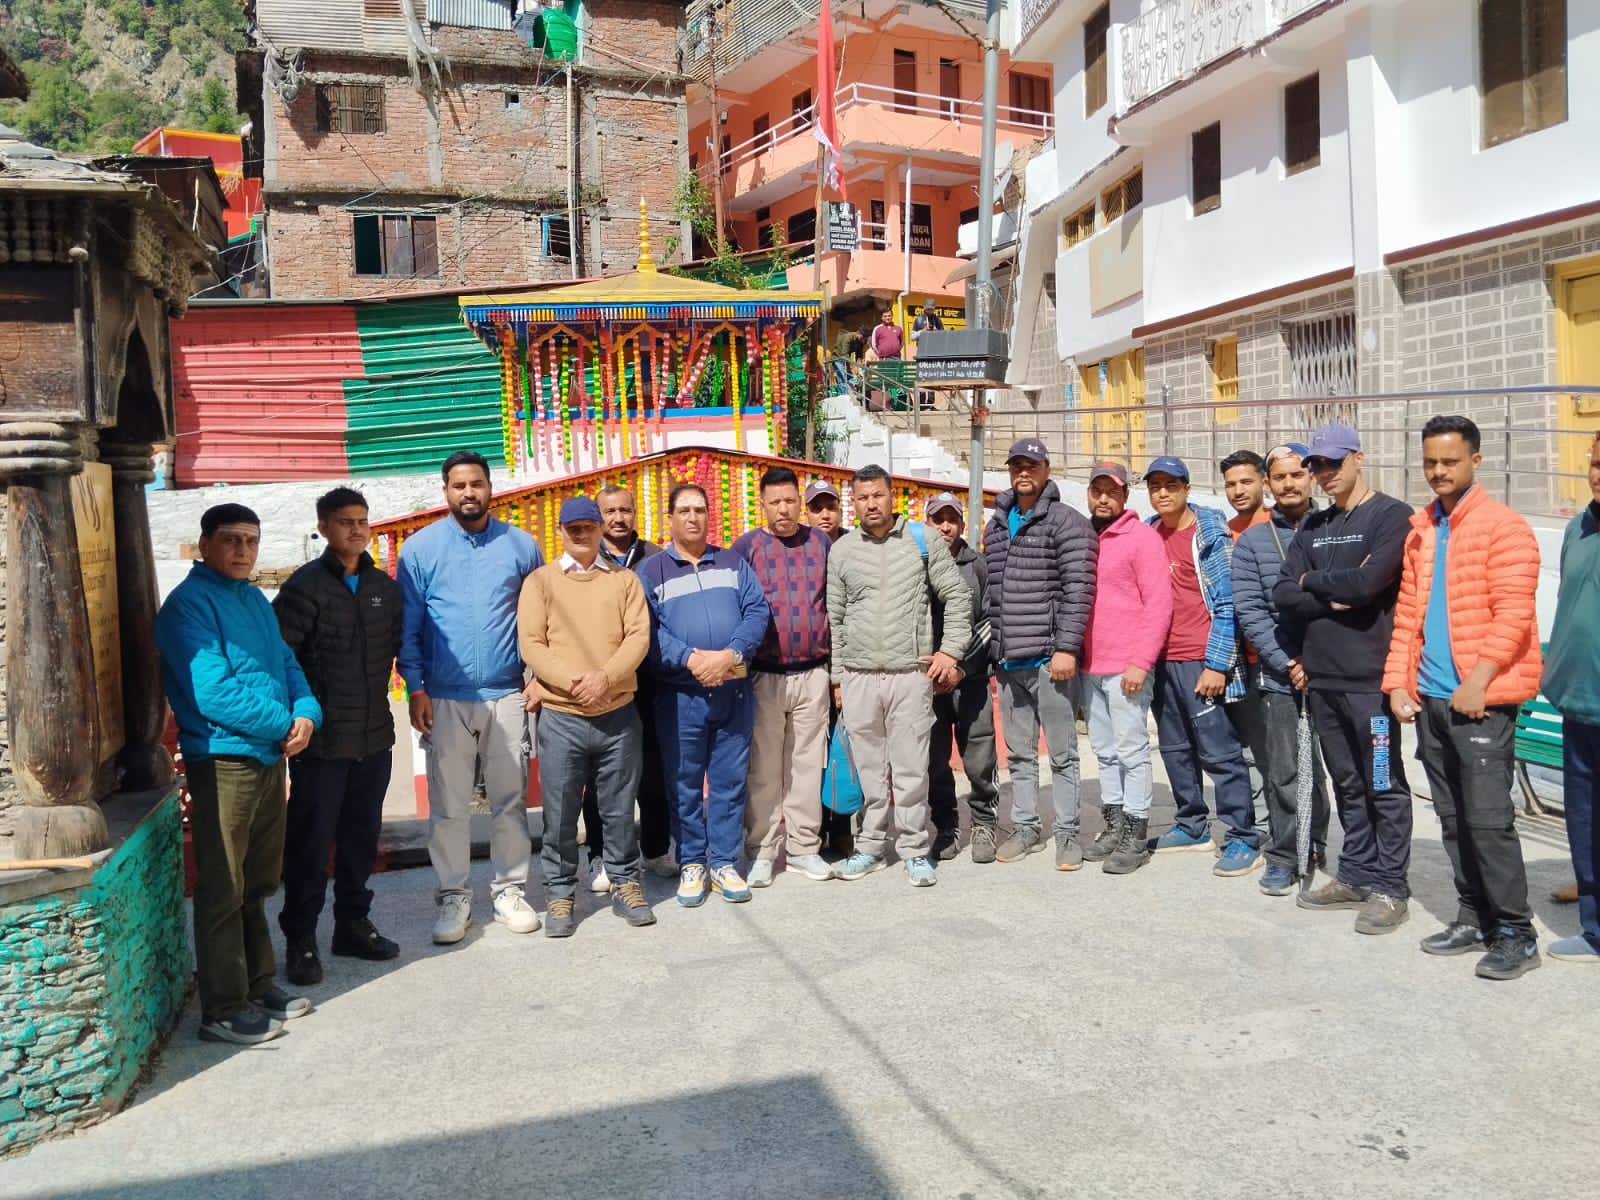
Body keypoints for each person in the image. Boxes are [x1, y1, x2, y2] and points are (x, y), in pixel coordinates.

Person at [155, 503, 322, 1045]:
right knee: (224, 885)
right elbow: (213, 692)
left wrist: (307, 713)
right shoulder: (188, 606)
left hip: (269, 755)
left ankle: (257, 983)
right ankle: (223, 1008)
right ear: (204, 544)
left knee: (257, 880)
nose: (242, 550)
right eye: (230, 539)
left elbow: (286, 664)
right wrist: (283, 724)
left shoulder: (252, 599)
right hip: (224, 758)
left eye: (251, 540)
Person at [1384, 416, 1544, 979]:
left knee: (1489, 821)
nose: (1438, 471)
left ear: (1476, 460)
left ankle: (1516, 933)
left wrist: (1478, 681)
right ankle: (1474, 916)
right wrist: (1398, 681)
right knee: (1452, 818)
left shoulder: (1505, 527)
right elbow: (1408, 615)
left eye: (1449, 461)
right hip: (1430, 698)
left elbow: (1514, 613)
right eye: (1430, 461)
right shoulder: (1422, 529)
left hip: (1480, 700)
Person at [398, 450, 544, 945]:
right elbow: (408, 626)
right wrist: (416, 686)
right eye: (459, 485)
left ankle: (509, 891)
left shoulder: (520, 546)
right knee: (449, 806)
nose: (468, 493)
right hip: (444, 695)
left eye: (476, 483)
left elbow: (539, 619)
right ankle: (453, 897)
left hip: (507, 692)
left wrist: (537, 677)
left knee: (510, 801)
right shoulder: (420, 550)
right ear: (446, 491)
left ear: (489, 488)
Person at [1274, 423, 1414, 935]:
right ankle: (1355, 873)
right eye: (1316, 465)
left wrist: (1314, 581)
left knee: (1382, 783)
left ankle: (1390, 887)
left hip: (1370, 683)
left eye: (1333, 462)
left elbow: (1369, 584)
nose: (1324, 473)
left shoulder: (1391, 516)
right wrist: (1329, 593)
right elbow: (1283, 593)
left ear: (1359, 458)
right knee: (1348, 783)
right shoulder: (1314, 524)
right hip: (1323, 681)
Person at [272, 488, 404, 988]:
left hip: (374, 739)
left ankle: (352, 924)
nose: (355, 529)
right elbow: (281, 659)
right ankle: (300, 938)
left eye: (362, 521)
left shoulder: (381, 588)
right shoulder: (304, 588)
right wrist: (294, 718)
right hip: (322, 745)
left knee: (360, 840)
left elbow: (397, 647)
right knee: (310, 845)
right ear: (324, 527)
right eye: (344, 521)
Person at [828, 464, 971, 886]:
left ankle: (914, 848)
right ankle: (870, 846)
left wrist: (950, 652)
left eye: (878, 495)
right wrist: (837, 678)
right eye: (862, 497)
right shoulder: (843, 551)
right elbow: (835, 618)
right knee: (869, 770)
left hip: (910, 673)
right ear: (854, 503)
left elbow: (957, 596)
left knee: (911, 770)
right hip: (858, 676)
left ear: (893, 497)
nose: (871, 504)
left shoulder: (922, 540)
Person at [518, 496, 655, 938]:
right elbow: (531, 643)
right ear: (560, 531)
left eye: (588, 526)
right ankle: (559, 892)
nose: (581, 534)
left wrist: (606, 678)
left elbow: (638, 638)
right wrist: (575, 683)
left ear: (600, 529)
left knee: (619, 809)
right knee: (560, 813)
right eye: (572, 528)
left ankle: (625, 882)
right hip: (562, 717)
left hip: (617, 716)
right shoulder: (540, 582)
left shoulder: (625, 581)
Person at [638, 484, 771, 906]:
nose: (693, 517)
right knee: (684, 783)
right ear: (670, 518)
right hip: (680, 697)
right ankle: (692, 861)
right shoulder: (652, 571)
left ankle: (725, 862)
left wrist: (730, 655)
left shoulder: (732, 563)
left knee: (730, 782)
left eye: (699, 509)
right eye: (684, 510)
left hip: (733, 691)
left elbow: (757, 612)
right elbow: (648, 630)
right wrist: (691, 659)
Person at [983, 438, 1099, 870]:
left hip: (1050, 660)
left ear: (1047, 469)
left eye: (1031, 465)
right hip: (1009, 659)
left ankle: (1067, 833)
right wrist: (995, 650)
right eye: (1017, 465)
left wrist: (1066, 647)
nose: (1023, 472)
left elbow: (1079, 590)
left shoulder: (1067, 522)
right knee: (1019, 753)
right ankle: (1026, 827)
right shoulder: (997, 525)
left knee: (1064, 753)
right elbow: (993, 595)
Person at [1142, 454, 1262, 874]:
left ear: (1187, 489)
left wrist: (1217, 664)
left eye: (1171, 485)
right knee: (1174, 748)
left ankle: (1242, 835)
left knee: (1219, 751)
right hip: (1161, 660)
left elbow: (1228, 604)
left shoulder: (1209, 534)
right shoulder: (1149, 533)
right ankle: (1192, 824)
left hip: (1200, 658)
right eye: (1155, 486)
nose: (1163, 493)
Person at [1231, 443, 1333, 895]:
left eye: (1297, 474)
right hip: (1280, 674)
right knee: (1284, 769)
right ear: (1268, 484)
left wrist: (1321, 659)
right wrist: (1288, 662)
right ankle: (1286, 853)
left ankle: (1319, 843)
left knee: (1343, 770)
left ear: (1311, 477)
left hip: (1337, 669)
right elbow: (1250, 611)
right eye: (1280, 477)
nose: (1289, 484)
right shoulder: (1253, 542)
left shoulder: (1336, 528)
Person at [732, 467, 837, 886]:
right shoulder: (747, 548)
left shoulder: (821, 543)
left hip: (813, 673)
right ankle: (761, 851)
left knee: (807, 766)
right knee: (763, 768)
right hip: (763, 676)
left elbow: (834, 603)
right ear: (762, 504)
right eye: (775, 502)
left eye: (790, 501)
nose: (783, 509)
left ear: (800, 502)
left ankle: (803, 848)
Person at [1079, 462, 1170, 876]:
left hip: (1126, 667)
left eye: (1111, 492)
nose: (1103, 499)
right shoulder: (1085, 538)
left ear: (1124, 495)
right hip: (1090, 666)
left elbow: (1158, 605)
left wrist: (1141, 661)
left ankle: (1136, 831)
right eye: (1097, 491)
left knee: (1131, 751)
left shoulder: (1142, 539)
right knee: (1103, 750)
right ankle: (1114, 824)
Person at [583, 483, 674, 893]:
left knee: (654, 771)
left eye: (625, 510)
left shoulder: (657, 557)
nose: (618, 518)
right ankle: (600, 855)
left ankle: (655, 849)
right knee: (601, 774)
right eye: (610, 511)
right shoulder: (586, 559)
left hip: (651, 681)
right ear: (599, 516)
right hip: (603, 681)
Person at [1542, 431, 1600, 964]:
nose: (1599, 475)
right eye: (1596, 463)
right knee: (1583, 817)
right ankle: (1593, 921)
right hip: (1579, 699)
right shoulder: (1578, 526)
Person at [923, 492, 999, 862]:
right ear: (927, 524)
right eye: (938, 519)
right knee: (934, 761)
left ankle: (984, 823)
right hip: (928, 684)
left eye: (952, 519)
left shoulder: (977, 566)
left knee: (979, 757)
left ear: (962, 523)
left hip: (970, 681)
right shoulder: (916, 565)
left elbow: (989, 623)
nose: (945, 526)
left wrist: (960, 667)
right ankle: (946, 827)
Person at [1220, 449, 1271, 833]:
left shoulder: (1281, 526)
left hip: (1275, 658)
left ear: (1263, 482)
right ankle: (1260, 826)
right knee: (1248, 749)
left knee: (1284, 753)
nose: (1238, 490)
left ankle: (1299, 834)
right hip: (1238, 661)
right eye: (1231, 484)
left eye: (1246, 481)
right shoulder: (1224, 531)